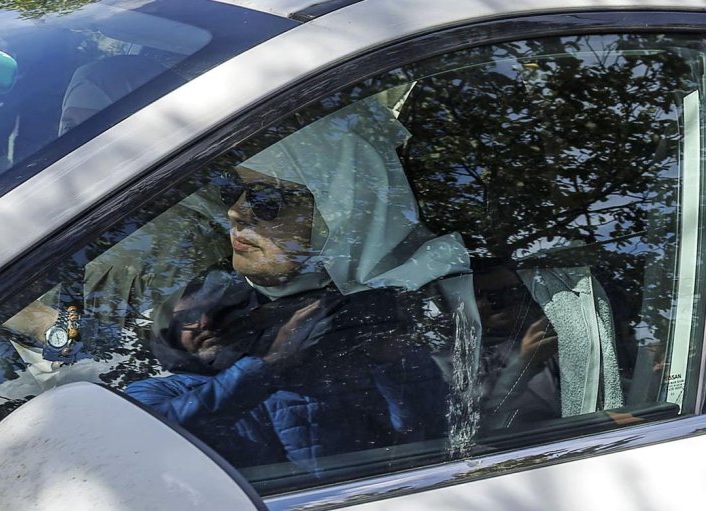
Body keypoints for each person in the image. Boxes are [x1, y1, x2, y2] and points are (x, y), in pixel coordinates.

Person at [124, 97, 475, 476]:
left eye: (266, 199)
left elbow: (432, 446)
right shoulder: (164, 389)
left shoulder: (371, 324)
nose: (236, 211)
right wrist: (267, 366)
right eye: (231, 190)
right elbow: (137, 441)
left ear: (338, 210)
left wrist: (392, 361)